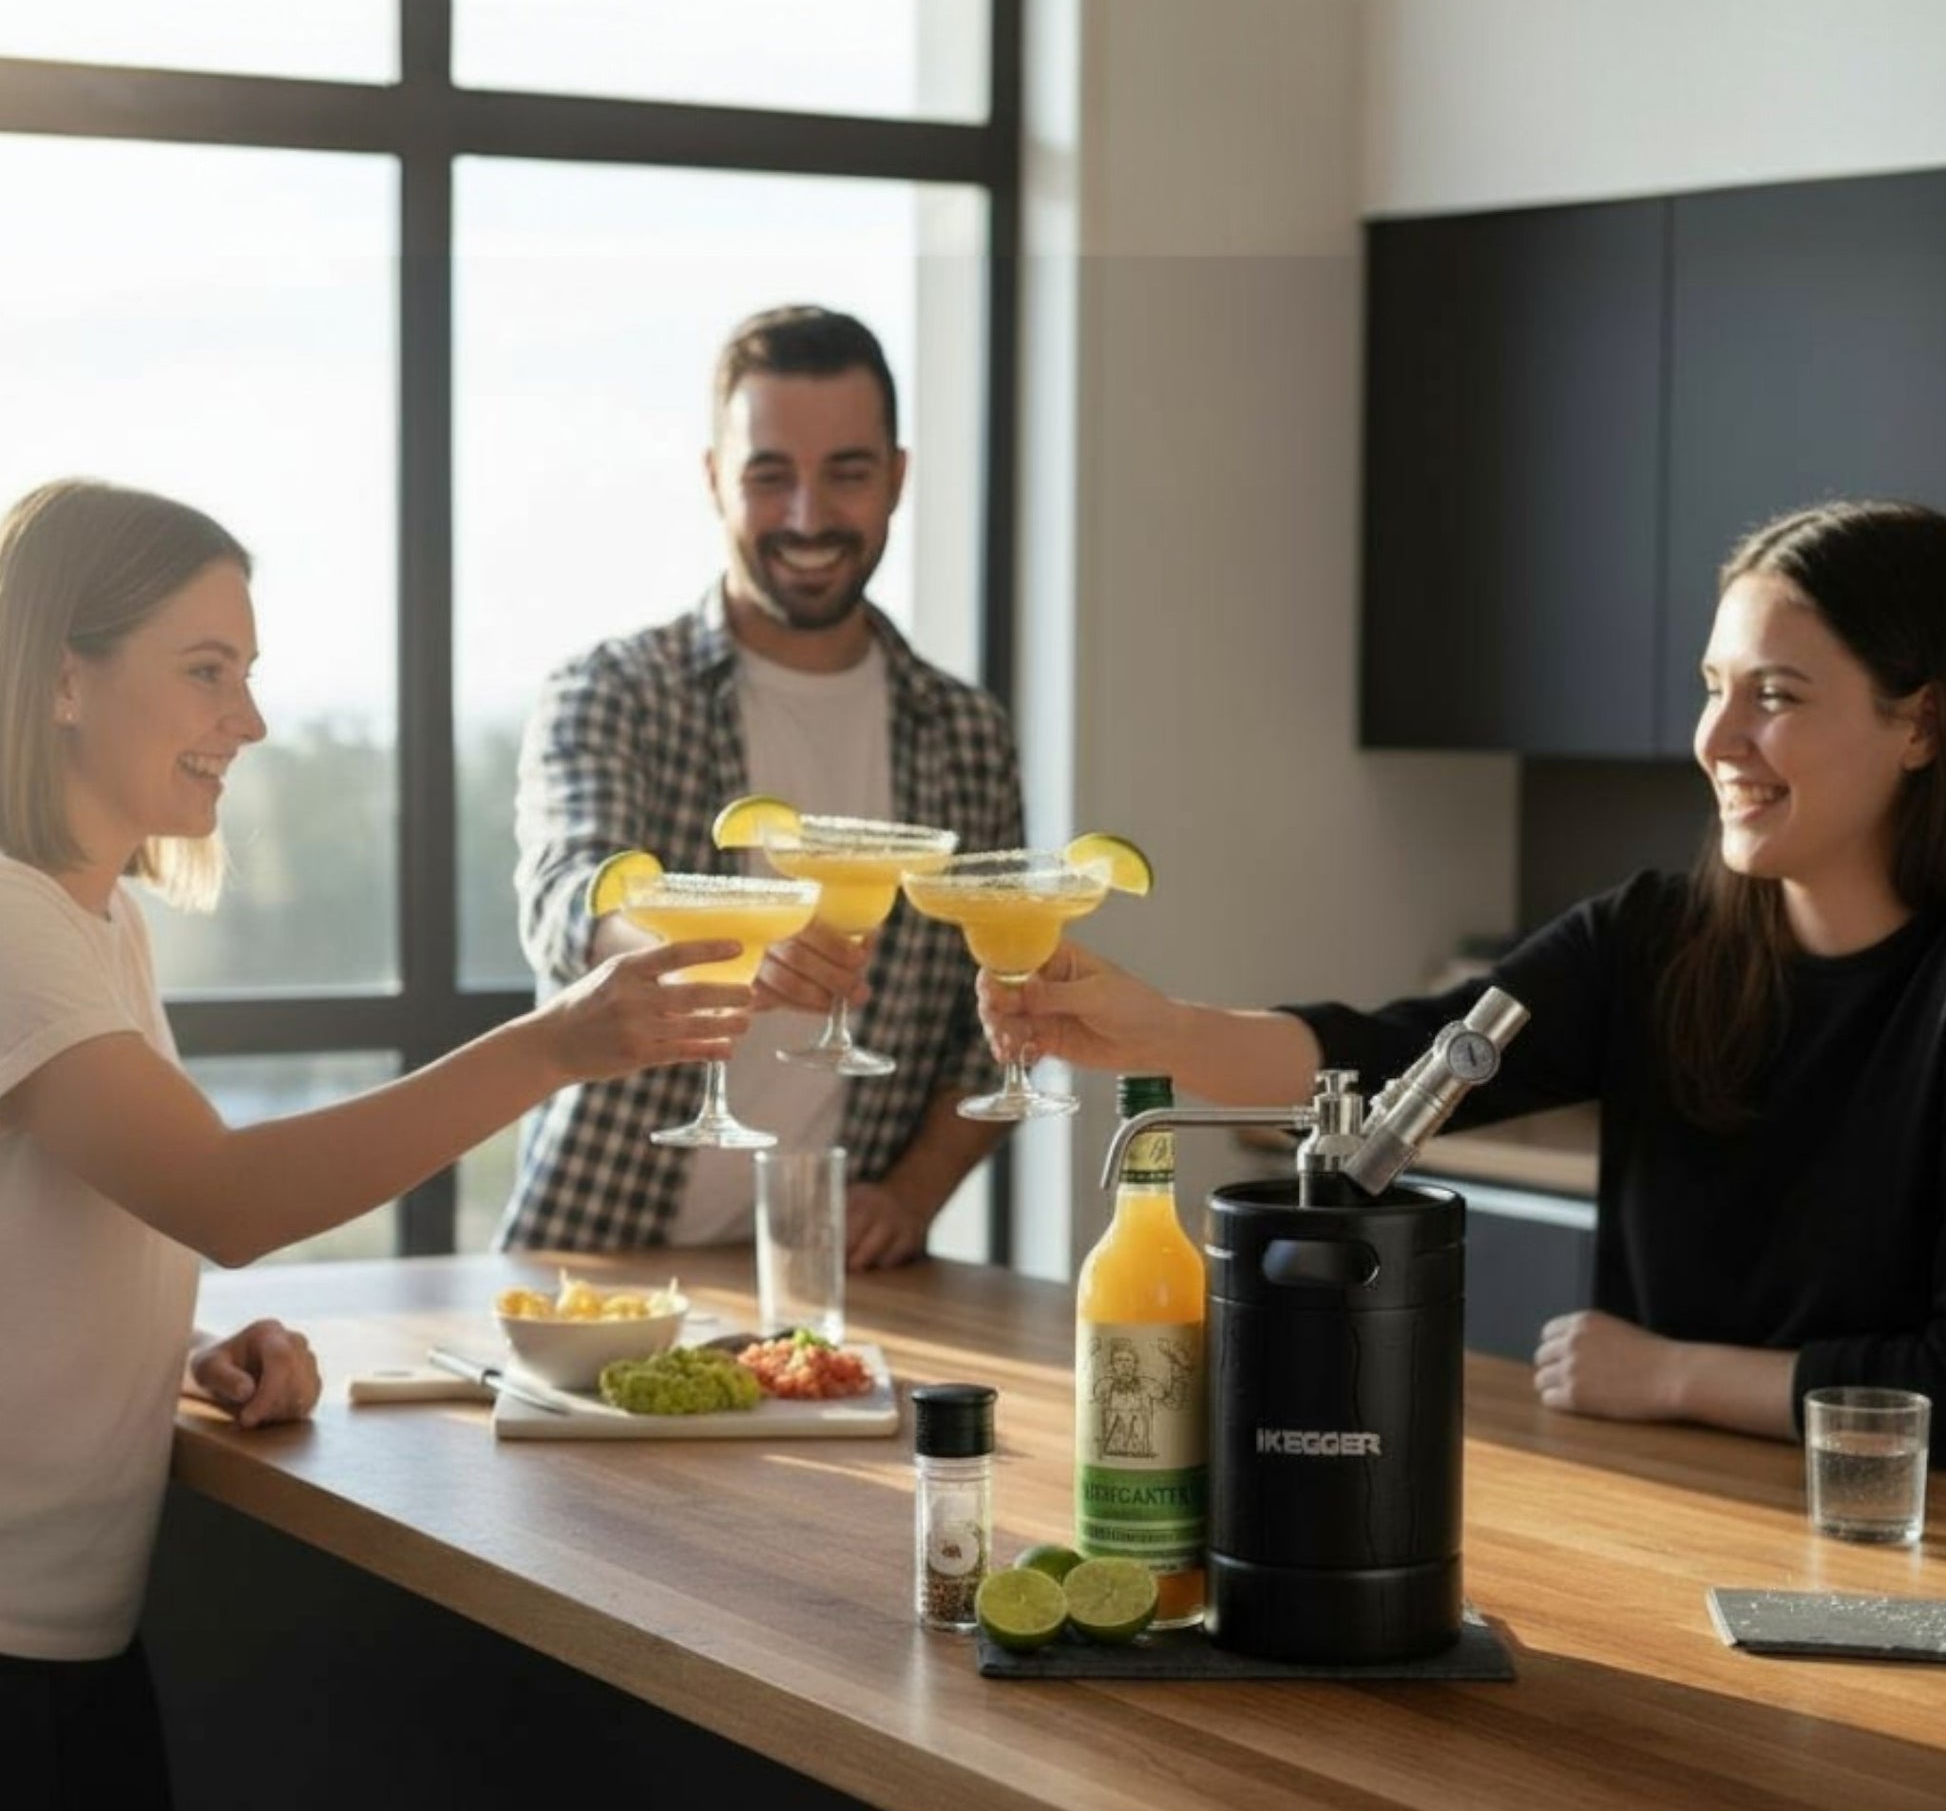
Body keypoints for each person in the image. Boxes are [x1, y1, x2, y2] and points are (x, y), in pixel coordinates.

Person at [0, 478, 755, 1808]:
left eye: (245, 671)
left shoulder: (96, 922)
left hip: (67, 1643)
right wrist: (554, 1044)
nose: (249, 718)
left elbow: (72, 1224)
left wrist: (174, 1347)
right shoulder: (11, 925)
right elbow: (226, 1196)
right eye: (204, 670)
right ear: (65, 679)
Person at [983, 498, 1946, 1458]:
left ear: (1921, 724)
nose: (1718, 738)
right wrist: (1156, 1032)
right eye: (1712, 687)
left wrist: (1673, 1374)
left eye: (1775, 696)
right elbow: (1391, 1060)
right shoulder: (1653, 940)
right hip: (1663, 1493)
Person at [499, 304, 1024, 1268]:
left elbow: (993, 1018)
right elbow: (570, 897)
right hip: (597, 1256)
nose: (809, 517)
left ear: (897, 478)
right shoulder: (613, 690)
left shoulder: (964, 735)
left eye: (848, 474)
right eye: (769, 474)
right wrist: (718, 949)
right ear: (713, 480)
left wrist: (910, 1198)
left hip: (837, 1277)